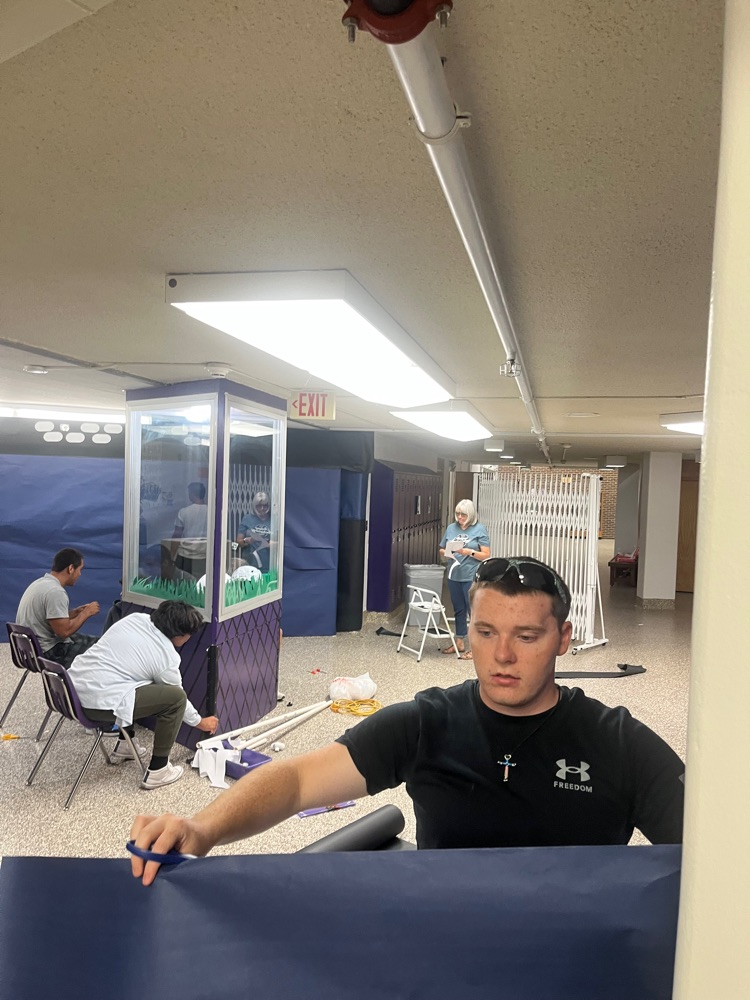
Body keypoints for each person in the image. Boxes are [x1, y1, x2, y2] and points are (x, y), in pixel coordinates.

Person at [129, 557, 684, 884]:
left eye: (527, 636)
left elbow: (708, 862)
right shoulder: (427, 724)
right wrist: (203, 828)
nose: (502, 656)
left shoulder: (618, 744)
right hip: (448, 948)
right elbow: (296, 780)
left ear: (563, 639)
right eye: (485, 633)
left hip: (574, 959)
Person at [68, 600, 219, 789]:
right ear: (180, 636)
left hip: (70, 691)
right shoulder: (166, 657)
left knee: (135, 680)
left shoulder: (135, 619)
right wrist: (201, 722)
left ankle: (125, 744)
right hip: (94, 705)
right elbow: (179, 695)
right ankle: (159, 770)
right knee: (175, 699)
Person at [16, 547, 100, 668]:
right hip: (48, 653)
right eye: (80, 570)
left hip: (31, 650)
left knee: (97, 642)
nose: (80, 574)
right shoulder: (56, 592)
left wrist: (75, 612)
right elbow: (64, 632)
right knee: (100, 650)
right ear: (71, 568)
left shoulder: (40, 583)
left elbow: (49, 618)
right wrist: (86, 613)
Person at [438, 499, 491, 659]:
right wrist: (448, 552)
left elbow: (486, 555)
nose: (460, 517)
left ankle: (476, 648)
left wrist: (469, 552)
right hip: (454, 575)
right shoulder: (451, 528)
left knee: (472, 611)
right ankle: (459, 642)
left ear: (471, 515)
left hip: (471, 576)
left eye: (463, 515)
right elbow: (442, 549)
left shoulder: (479, 529)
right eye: (458, 514)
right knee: (458, 609)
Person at [172, 482, 208, 578]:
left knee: (182, 583)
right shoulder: (212, 512)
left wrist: (171, 556)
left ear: (192, 494)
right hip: (204, 556)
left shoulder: (184, 512)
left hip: (185, 555)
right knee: (201, 584)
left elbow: (176, 536)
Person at [236, 492, 272, 573]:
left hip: (269, 562)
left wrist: (271, 544)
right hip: (251, 561)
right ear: (254, 506)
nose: (262, 508)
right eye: (259, 506)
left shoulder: (273, 519)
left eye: (265, 505)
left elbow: (280, 541)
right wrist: (246, 540)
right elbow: (238, 542)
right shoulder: (247, 519)